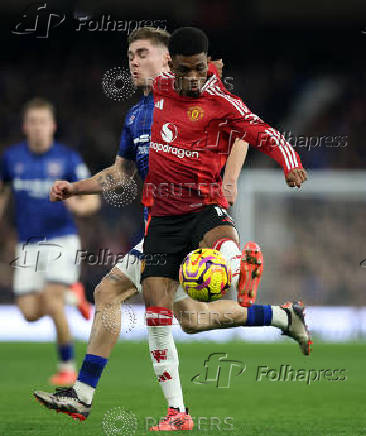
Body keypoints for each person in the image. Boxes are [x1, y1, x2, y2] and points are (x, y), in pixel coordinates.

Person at [33, 27, 265, 421]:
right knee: (188, 318)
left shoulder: (195, 92)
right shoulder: (137, 114)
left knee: (112, 294)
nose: (134, 61)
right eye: (130, 55)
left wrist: (230, 179)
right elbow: (119, 175)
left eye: (142, 53)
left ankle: (93, 396)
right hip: (159, 229)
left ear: (168, 60)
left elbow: (244, 127)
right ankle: (280, 314)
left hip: (194, 220)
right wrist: (75, 188)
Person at [138, 26, 310, 431]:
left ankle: (241, 267)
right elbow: (141, 65)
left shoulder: (220, 100)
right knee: (159, 316)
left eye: (201, 68)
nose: (195, 77)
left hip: (204, 205)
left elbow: (261, 131)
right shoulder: (160, 86)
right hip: (163, 216)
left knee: (224, 248)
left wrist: (290, 161)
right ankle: (177, 413)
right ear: (172, 66)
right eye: (187, 70)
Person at [0, 98, 100, 385]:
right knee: (29, 312)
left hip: (61, 240)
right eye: (33, 122)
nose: (38, 128)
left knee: (53, 301)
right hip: (27, 243)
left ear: (53, 126)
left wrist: (78, 206)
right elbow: (3, 192)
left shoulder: (68, 159)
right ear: (25, 126)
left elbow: (90, 202)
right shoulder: (11, 158)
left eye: (43, 122)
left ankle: (67, 366)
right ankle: (74, 296)